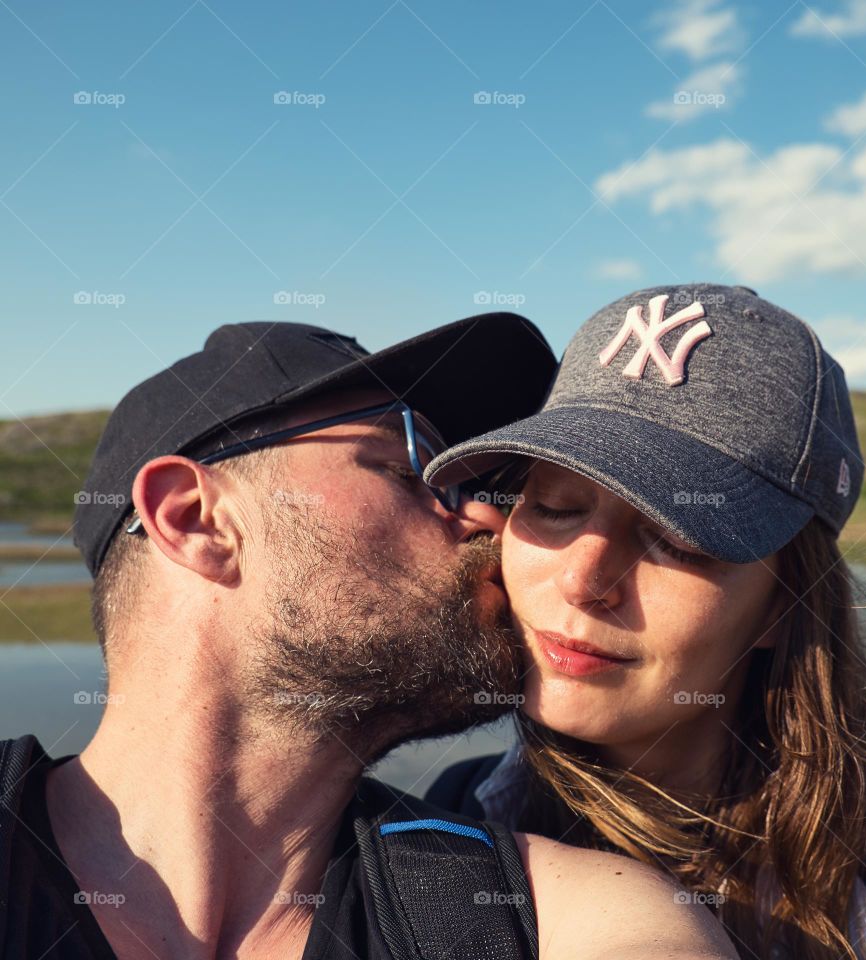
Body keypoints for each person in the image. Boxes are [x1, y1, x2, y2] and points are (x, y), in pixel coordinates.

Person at [0, 316, 739, 960]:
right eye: (408, 464)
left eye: (480, 481)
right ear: (197, 519)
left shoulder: (560, 917)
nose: (489, 520)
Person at [424, 284, 866, 960]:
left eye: (677, 542)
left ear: (787, 604)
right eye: (555, 506)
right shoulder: (449, 821)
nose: (584, 581)